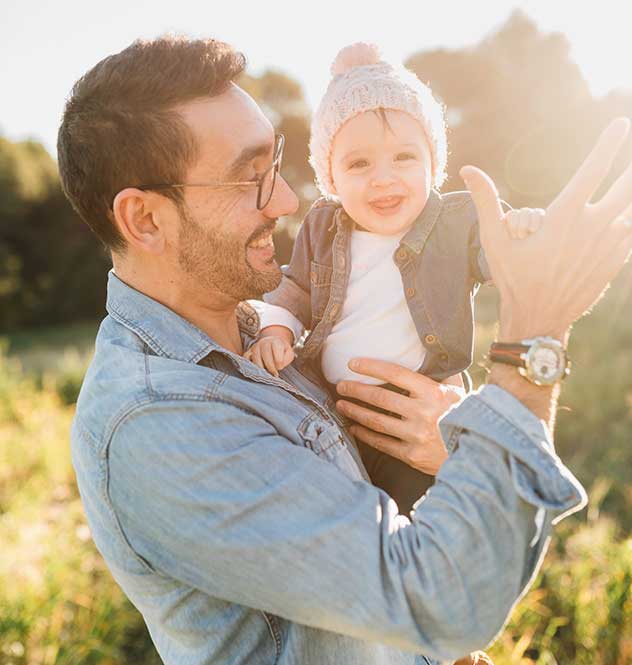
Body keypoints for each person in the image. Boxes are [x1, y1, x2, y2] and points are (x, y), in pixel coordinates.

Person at [58, 35, 632, 665]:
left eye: (274, 163)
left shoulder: (252, 326)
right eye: (250, 177)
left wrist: (455, 450)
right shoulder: (158, 422)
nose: (284, 200)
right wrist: (535, 336)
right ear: (144, 220)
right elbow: (435, 601)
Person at [245, 41, 544, 517]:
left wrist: (522, 234)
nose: (383, 179)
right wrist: (276, 328)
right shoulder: (324, 226)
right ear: (332, 178)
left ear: (432, 162)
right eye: (359, 163)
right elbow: (297, 287)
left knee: (416, 516)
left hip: (416, 414)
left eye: (404, 157)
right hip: (333, 413)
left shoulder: (456, 222)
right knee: (339, 514)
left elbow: (504, 259)